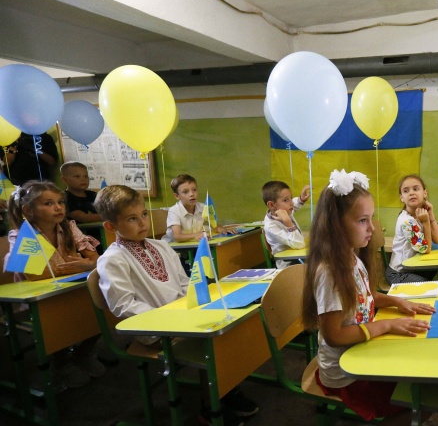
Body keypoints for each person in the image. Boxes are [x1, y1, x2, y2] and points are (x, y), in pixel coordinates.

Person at [94, 185, 258, 426]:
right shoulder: (111, 260)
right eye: (131, 218)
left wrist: (193, 308)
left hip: (183, 316)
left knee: (229, 326)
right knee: (210, 341)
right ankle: (210, 407)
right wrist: (170, 320)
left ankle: (226, 389)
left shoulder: (161, 246)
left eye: (144, 215)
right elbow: (123, 305)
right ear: (110, 226)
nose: (142, 222)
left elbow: (184, 284)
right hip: (153, 328)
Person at [302, 169, 435, 423]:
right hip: (345, 375)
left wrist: (397, 301)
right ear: (336, 224)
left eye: (371, 218)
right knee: (423, 399)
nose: (372, 227)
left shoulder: (352, 256)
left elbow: (366, 295)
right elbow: (334, 335)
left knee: (417, 374)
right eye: (363, 220)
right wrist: (385, 325)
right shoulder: (330, 273)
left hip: (363, 354)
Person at [4, 180, 104, 389]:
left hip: (71, 291)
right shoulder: (24, 234)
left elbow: (95, 259)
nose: (58, 208)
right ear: (28, 210)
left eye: (60, 202)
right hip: (38, 302)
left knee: (102, 310)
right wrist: (80, 266)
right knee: (59, 326)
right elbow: (33, 275)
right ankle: (61, 363)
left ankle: (82, 354)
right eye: (48, 204)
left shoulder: (68, 227)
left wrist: (86, 264)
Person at [386, 174, 438, 285]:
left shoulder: (422, 213)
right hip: (399, 274)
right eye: (406, 191)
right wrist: (425, 222)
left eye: (416, 189)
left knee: (436, 270)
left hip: (414, 267)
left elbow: (437, 239)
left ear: (424, 193)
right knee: (430, 285)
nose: (411, 193)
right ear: (402, 198)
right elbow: (426, 249)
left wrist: (431, 215)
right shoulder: (406, 221)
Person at [162, 174, 233, 243]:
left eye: (194, 190)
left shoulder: (202, 207)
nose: (192, 194)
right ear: (177, 196)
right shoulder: (174, 211)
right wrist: (195, 235)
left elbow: (214, 226)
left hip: (192, 245)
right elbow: (177, 236)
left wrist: (223, 230)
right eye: (185, 192)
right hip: (173, 249)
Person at [261, 180, 310, 268]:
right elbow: (299, 244)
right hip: (288, 266)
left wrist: (301, 200)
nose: (291, 202)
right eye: (286, 200)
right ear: (271, 205)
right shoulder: (271, 227)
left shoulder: (284, 211)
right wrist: (288, 223)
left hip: (299, 257)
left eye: (291, 198)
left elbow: (294, 206)